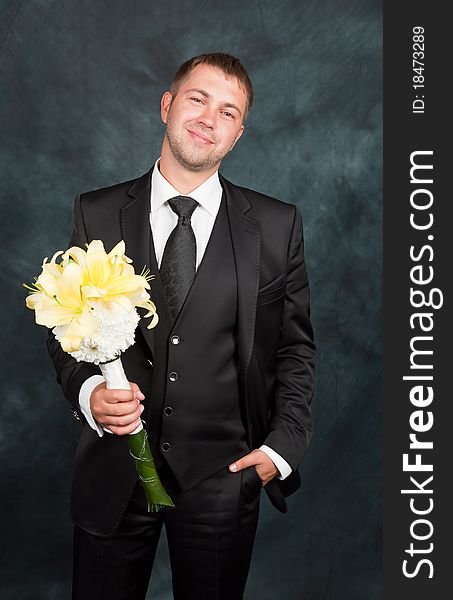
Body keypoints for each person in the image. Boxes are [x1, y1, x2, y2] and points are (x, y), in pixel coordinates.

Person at [47, 52, 316, 600]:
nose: (208, 118)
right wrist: (90, 391)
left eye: (227, 111)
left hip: (225, 475)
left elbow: (294, 350)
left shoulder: (275, 224)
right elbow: (66, 322)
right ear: (167, 105)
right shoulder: (95, 210)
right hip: (114, 472)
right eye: (197, 99)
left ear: (237, 134)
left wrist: (281, 450)